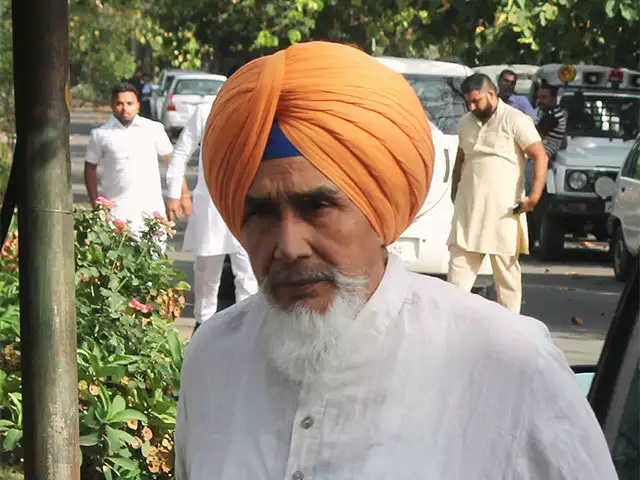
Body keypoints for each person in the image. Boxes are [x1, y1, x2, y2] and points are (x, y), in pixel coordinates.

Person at [175, 42, 616, 479]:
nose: (289, 246)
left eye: (318, 207)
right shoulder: (213, 359)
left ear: (377, 208)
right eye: (261, 214)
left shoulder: (511, 365)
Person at [448, 74, 548, 313]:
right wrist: (455, 191)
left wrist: (533, 198)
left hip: (504, 211)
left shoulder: (515, 119)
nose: (472, 107)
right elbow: (461, 159)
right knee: (456, 279)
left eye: (476, 101)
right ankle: (451, 324)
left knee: (506, 279)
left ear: (491, 94)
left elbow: (540, 156)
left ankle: (511, 327)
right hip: (468, 211)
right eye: (468, 102)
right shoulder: (465, 123)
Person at [166, 103, 258, 330]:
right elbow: (181, 152)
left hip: (245, 204)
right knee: (206, 273)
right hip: (211, 205)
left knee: (248, 274)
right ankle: (203, 326)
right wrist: (174, 194)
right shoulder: (206, 111)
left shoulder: (255, 108)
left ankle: (247, 330)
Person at [84, 82, 189, 233]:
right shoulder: (100, 134)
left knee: (154, 248)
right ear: (112, 105)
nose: (124, 108)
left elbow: (172, 162)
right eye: (119, 103)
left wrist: (182, 194)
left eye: (129, 103)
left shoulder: (153, 129)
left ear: (138, 105)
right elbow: (90, 168)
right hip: (116, 214)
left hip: (152, 212)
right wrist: (96, 205)